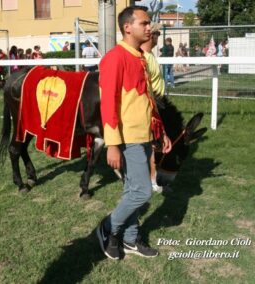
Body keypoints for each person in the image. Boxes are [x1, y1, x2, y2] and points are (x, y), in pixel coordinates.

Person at [96, 6, 172, 260]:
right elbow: (108, 104)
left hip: (144, 135)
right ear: (127, 27)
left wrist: (160, 132)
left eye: (149, 23)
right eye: (145, 23)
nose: (149, 27)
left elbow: (148, 100)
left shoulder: (140, 57)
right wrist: (113, 145)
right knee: (142, 192)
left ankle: (129, 238)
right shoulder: (115, 58)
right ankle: (109, 228)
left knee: (132, 190)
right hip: (127, 138)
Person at [141, 23, 166, 194]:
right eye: (157, 34)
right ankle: (152, 179)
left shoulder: (150, 55)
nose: (158, 38)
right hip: (152, 106)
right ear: (152, 35)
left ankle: (153, 177)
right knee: (152, 145)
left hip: (159, 104)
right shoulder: (144, 57)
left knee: (155, 144)